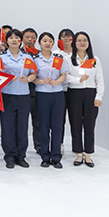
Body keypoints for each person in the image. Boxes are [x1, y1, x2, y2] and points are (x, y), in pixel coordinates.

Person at [65, 32, 104, 168]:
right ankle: (78, 154)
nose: (82, 43)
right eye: (79, 40)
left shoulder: (95, 60)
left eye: (85, 40)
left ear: (88, 43)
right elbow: (65, 76)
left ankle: (88, 154)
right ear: (74, 43)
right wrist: (78, 80)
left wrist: (98, 96)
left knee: (90, 124)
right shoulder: (68, 59)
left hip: (90, 94)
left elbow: (100, 80)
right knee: (75, 124)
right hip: (74, 93)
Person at [0, 29, 36, 168]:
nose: (14, 40)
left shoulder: (27, 57)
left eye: (17, 38)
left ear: (20, 41)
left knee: (22, 127)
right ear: (6, 41)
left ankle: (21, 156)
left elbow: (33, 74)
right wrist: (6, 77)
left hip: (24, 95)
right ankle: (9, 156)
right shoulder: (1, 58)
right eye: (11, 38)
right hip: (7, 95)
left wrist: (28, 79)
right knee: (8, 127)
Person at [33, 32, 69, 168]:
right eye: (45, 41)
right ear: (39, 43)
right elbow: (32, 77)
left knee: (57, 126)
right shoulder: (35, 59)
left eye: (50, 41)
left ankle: (56, 157)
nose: (47, 43)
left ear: (53, 43)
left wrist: (58, 81)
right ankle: (45, 157)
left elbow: (63, 74)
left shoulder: (58, 58)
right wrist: (42, 81)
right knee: (43, 126)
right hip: (42, 95)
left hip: (57, 94)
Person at [22, 27, 41, 155]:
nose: (30, 39)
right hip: (20, 92)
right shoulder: (17, 53)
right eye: (27, 37)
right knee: (21, 123)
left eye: (32, 38)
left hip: (37, 92)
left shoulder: (40, 54)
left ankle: (39, 146)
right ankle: (19, 149)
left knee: (38, 122)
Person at [56, 28, 74, 153]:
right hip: (60, 90)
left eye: (68, 36)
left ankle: (77, 146)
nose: (66, 38)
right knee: (59, 119)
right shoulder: (56, 54)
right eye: (63, 36)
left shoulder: (78, 54)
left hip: (74, 89)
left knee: (75, 119)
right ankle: (60, 144)